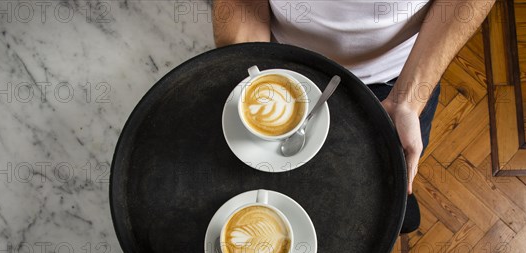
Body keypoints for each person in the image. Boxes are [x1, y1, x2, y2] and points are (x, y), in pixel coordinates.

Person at [212, 0, 495, 233]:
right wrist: (252, 71)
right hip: (281, 73)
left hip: (398, 81)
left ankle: (391, 199)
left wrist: (407, 101)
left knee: (384, 186)